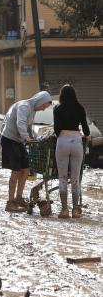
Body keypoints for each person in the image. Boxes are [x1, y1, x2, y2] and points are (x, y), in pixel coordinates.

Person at [0, 91, 53, 213]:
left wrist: (34, 138)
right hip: (9, 139)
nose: (43, 109)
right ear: (40, 101)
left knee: (26, 169)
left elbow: (29, 127)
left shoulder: (33, 110)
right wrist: (26, 138)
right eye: (43, 106)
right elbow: (21, 123)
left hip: (19, 141)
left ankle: (19, 198)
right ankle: (10, 202)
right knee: (16, 170)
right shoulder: (24, 106)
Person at [53, 85, 90, 219]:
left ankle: (64, 210)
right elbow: (86, 130)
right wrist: (85, 134)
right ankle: (75, 210)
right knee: (75, 179)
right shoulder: (80, 108)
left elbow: (56, 128)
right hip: (76, 141)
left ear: (62, 95)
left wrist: (61, 136)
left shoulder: (57, 108)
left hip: (62, 140)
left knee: (62, 177)